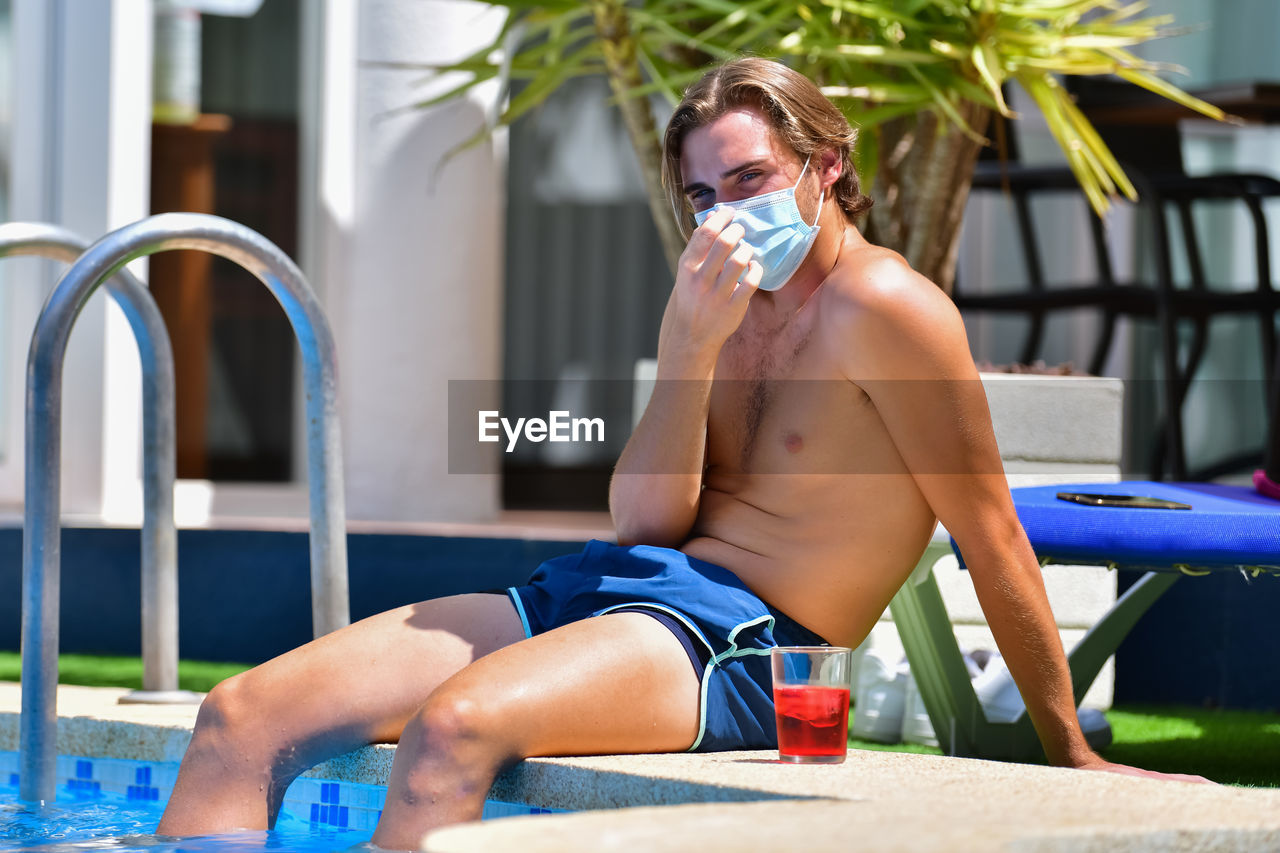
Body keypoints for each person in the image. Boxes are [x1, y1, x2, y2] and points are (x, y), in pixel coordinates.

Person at [156, 57, 1204, 851]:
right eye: (702, 196)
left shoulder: (888, 309)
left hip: (746, 639)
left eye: (750, 178)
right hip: (625, 590)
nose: (726, 215)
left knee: (454, 725)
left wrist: (1069, 749)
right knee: (240, 716)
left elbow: (988, 533)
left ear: (824, 166)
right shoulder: (715, 303)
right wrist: (685, 351)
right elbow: (644, 524)